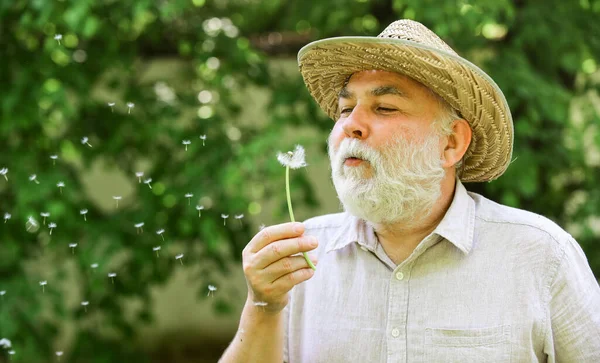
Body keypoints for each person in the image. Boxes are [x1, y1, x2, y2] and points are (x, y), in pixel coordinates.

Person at [219, 19, 600, 363]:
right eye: (345, 109)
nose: (352, 124)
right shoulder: (300, 258)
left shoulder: (541, 255)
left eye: (384, 107)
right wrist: (262, 306)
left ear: (451, 143)